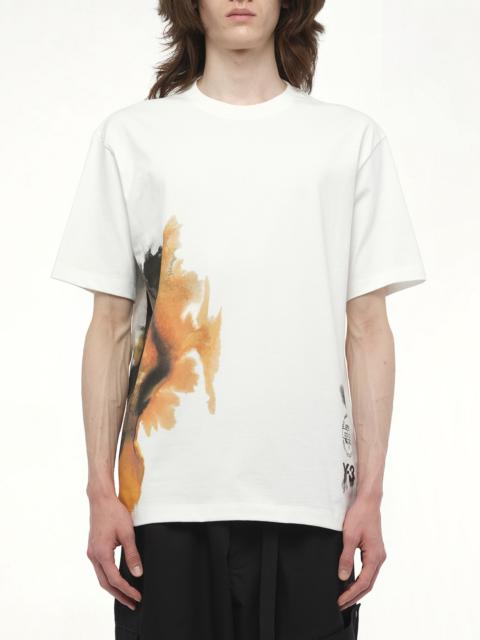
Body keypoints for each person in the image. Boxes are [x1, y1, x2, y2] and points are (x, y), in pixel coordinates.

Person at [50, 1, 427, 638]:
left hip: (311, 505)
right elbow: (109, 327)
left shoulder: (350, 141)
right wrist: (98, 490)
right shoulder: (132, 138)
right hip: (163, 504)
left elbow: (368, 330)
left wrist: (370, 494)